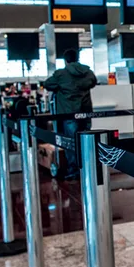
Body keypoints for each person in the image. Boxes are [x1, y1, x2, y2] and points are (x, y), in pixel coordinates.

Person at [44, 49, 98, 179]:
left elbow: (47, 84)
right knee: (86, 141)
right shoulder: (88, 72)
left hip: (69, 114)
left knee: (71, 143)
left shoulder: (61, 74)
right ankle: (88, 167)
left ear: (65, 60)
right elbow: (93, 82)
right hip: (85, 113)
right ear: (77, 58)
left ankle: (74, 171)